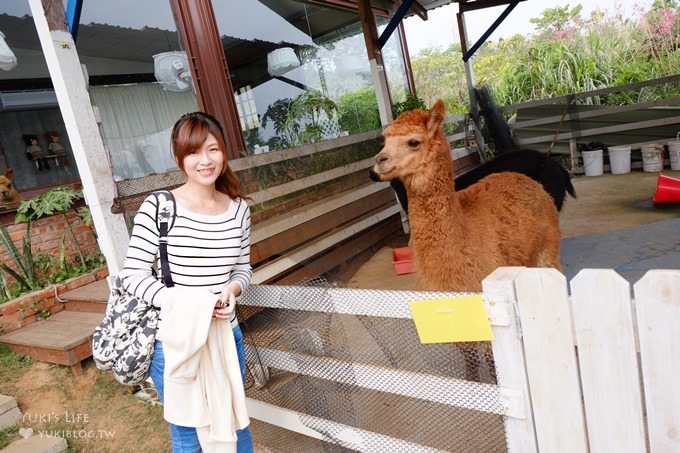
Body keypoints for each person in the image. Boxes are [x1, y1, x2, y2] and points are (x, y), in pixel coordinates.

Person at [119, 111, 253, 452]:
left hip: (226, 335)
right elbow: (131, 275)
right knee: (188, 436)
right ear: (180, 158)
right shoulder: (160, 206)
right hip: (176, 340)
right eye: (193, 152)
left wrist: (232, 290)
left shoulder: (239, 209)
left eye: (212, 149)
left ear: (224, 151)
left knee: (236, 424)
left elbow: (243, 269)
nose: (205, 161)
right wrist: (190, 304)